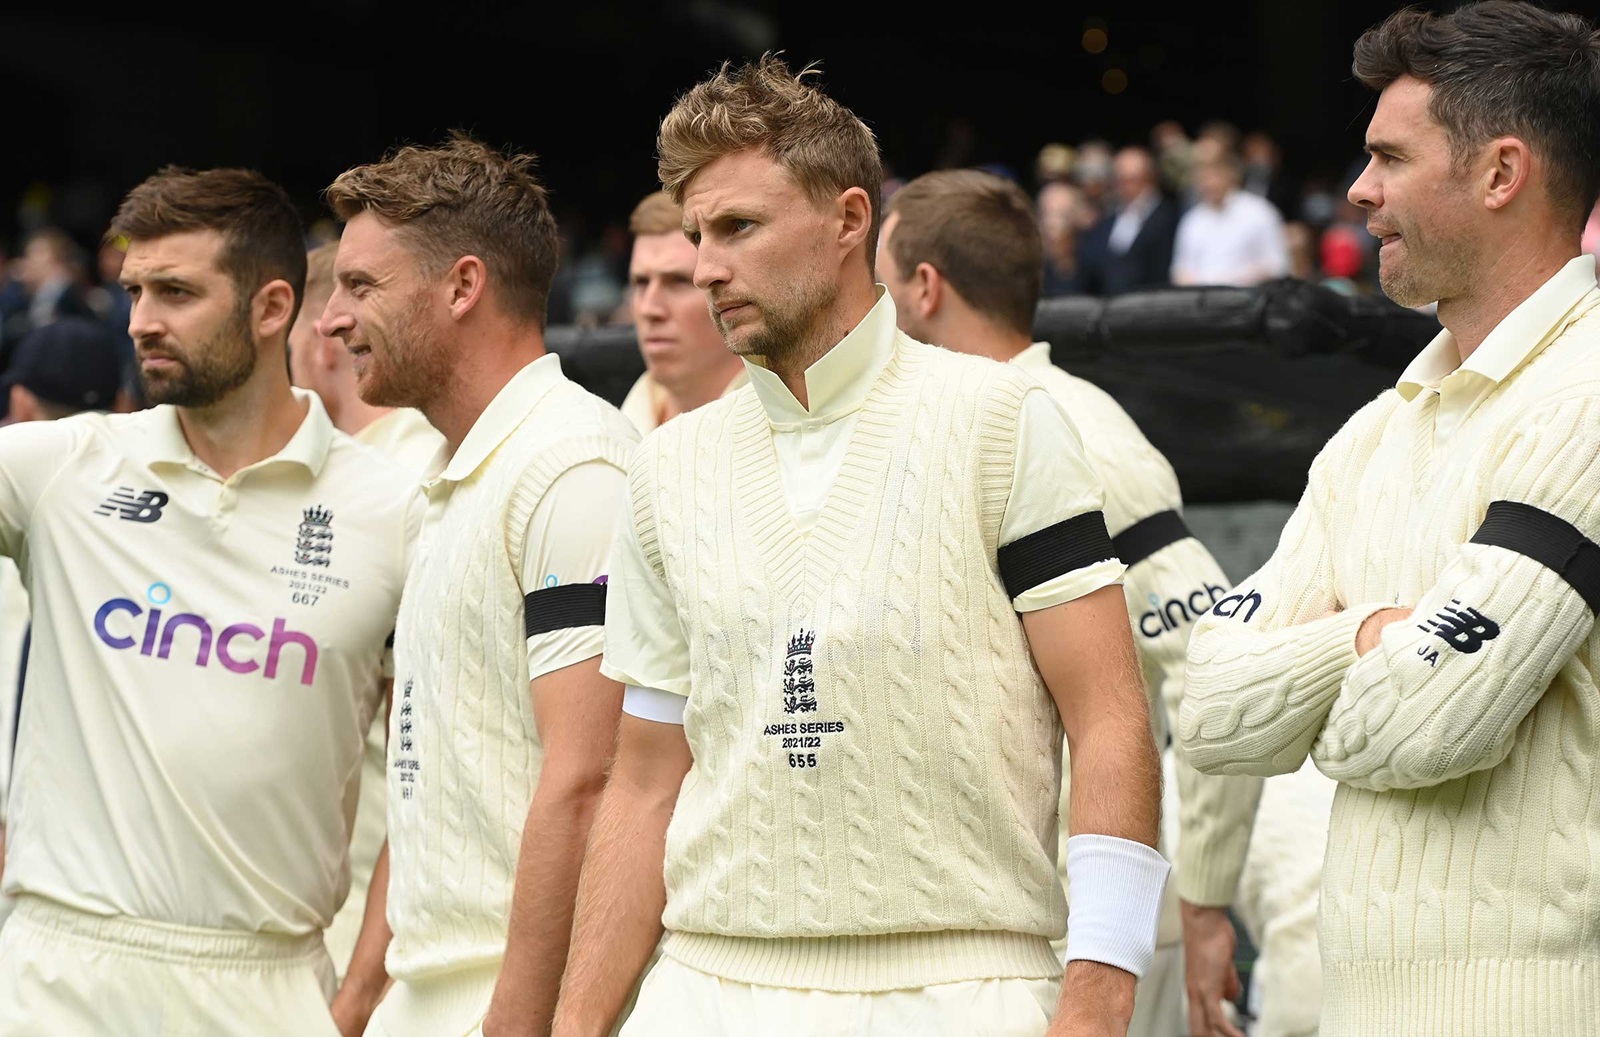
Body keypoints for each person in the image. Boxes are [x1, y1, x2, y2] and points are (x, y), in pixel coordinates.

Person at [551, 55, 1168, 1037]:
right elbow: (643, 778)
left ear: (848, 221)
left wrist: (1096, 993)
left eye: (738, 227)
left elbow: (1110, 717)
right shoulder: (665, 467)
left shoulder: (1003, 418)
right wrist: (578, 1022)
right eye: (699, 232)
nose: (708, 265)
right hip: (704, 981)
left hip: (967, 983)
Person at [1180, 4, 1600, 1036]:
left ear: (1501, 173)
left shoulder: (1588, 392)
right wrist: (1369, 634)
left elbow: (1427, 723)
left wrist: (1314, 677)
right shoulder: (1372, 431)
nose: (1358, 190)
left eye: (1387, 156)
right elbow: (1207, 709)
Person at [0, 166, 421, 1037]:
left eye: (177, 292)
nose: (141, 320)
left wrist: (357, 998)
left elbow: (442, 785)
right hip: (54, 973)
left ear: (272, 308)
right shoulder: (61, 466)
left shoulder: (393, 509)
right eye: (135, 290)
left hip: (267, 983)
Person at [878, 167, 1259, 1037]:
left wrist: (1202, 899)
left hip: (1088, 941)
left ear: (925, 289)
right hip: (993, 925)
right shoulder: (947, 427)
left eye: (881, 282)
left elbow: (1217, 660)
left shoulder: (1078, 431)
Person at [317, 131, 638, 1037]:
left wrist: (520, 1021)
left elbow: (591, 780)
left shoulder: (577, 467)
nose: (333, 319)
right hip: (430, 993)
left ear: (463, 286)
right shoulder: (451, 480)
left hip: (513, 1002)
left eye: (362, 286)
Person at [286, 240, 444, 984]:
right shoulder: (333, 472)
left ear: (321, 339)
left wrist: (357, 992)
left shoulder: (407, 481)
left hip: (375, 894)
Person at [0, 315, 129, 926]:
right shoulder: (146, 512)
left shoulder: (15, 497)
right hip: (108, 853)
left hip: (31, 838)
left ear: (20, 401)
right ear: (124, 402)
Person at [617, 191, 746, 435]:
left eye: (678, 282)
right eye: (641, 282)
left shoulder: (785, 427)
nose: (648, 308)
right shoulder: (613, 428)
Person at [1170, 152, 1291, 287]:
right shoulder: (1192, 220)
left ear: (1232, 175)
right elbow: (1180, 270)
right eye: (1202, 177)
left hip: (1250, 301)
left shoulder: (1260, 212)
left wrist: (1233, 281)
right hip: (1202, 302)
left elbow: (1278, 266)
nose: (1208, 183)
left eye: (1215, 175)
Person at [1077, 148, 1179, 296]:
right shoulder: (1107, 221)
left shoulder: (1167, 218)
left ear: (1150, 179)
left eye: (1132, 180)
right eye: (1120, 180)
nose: (1124, 187)